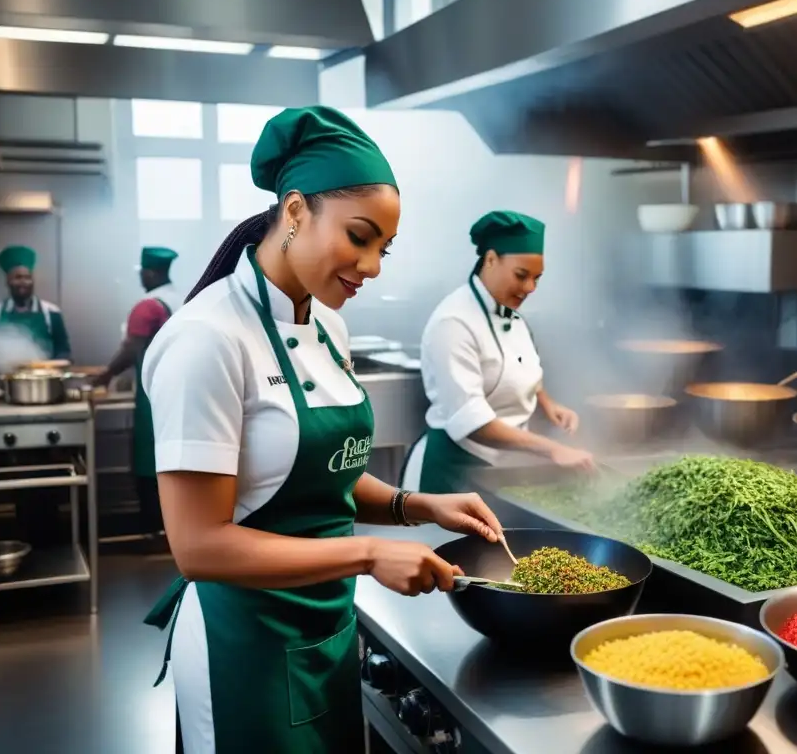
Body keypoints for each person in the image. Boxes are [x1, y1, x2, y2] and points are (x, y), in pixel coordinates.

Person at [141, 106, 504, 754]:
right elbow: (199, 547)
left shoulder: (328, 326)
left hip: (328, 627)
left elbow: (314, 469)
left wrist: (414, 505)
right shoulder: (207, 339)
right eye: (359, 237)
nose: (372, 266)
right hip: (243, 643)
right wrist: (368, 554)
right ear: (296, 209)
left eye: (383, 249)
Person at [401, 210, 595, 495]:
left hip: (501, 471)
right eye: (521, 275)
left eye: (537, 278)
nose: (530, 288)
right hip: (452, 471)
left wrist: (548, 403)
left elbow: (521, 367)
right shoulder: (454, 323)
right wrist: (554, 450)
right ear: (491, 259)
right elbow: (472, 421)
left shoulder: (512, 315)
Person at [94, 247, 181, 543]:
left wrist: (104, 376)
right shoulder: (180, 297)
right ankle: (177, 527)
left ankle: (153, 530)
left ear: (151, 272)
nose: (141, 277)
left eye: (142, 272)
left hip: (152, 395)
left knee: (149, 461)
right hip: (179, 390)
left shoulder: (147, 306)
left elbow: (131, 349)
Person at [0, 245, 71, 360]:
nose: (23, 282)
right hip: (5, 375)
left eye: (28, 277)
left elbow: (63, 349)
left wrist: (60, 363)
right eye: (18, 277)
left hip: (45, 375)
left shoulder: (51, 312)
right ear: (8, 281)